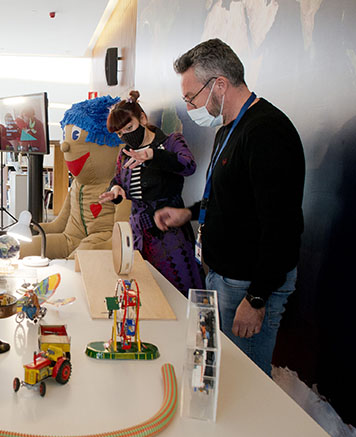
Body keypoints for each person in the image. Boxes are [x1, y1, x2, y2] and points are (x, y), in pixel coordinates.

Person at [154, 39, 305, 376]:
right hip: (222, 275)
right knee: (220, 375)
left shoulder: (267, 132)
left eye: (191, 97)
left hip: (248, 285)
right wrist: (188, 214)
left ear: (219, 84)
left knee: (244, 380)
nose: (191, 106)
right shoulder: (227, 129)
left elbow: (282, 226)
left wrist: (256, 299)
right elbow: (228, 197)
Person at [100, 90, 203, 296]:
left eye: (129, 128)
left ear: (142, 118)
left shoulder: (171, 141)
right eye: (120, 134)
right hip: (137, 234)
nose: (126, 136)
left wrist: (152, 155)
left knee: (178, 292)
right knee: (142, 293)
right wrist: (115, 190)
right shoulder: (124, 152)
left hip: (170, 233)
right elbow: (119, 180)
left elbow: (188, 165)